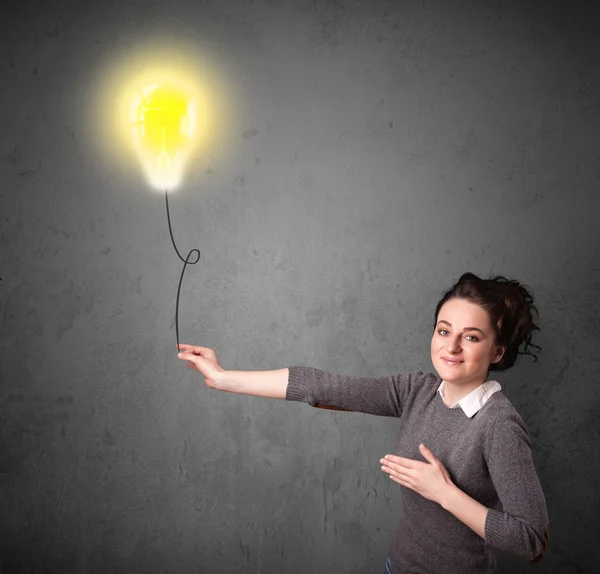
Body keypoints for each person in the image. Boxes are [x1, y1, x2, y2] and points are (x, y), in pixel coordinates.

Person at [177, 272, 550, 573]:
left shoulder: (499, 423)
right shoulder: (417, 390)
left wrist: (444, 493)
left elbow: (530, 539)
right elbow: (323, 387)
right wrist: (222, 378)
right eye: (443, 330)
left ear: (497, 351)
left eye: (470, 337)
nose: (451, 347)